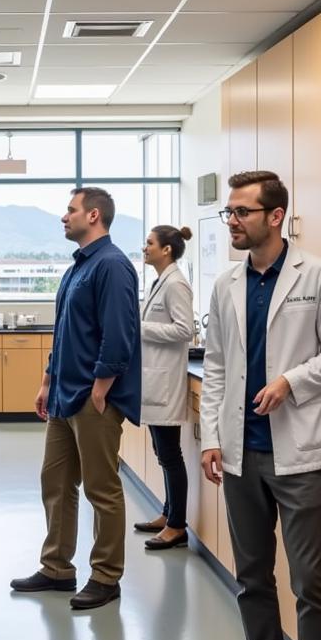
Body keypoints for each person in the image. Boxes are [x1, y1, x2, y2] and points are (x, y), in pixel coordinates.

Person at [199, 170, 321, 640]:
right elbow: (216, 367)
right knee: (253, 575)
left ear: (275, 215)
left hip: (300, 453)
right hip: (241, 454)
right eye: (229, 213)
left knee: (311, 583)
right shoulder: (226, 282)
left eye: (241, 211)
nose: (232, 220)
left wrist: (292, 381)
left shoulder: (317, 275)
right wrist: (212, 437)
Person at [11, 187, 142, 610]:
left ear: (94, 215)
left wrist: (101, 390)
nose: (63, 217)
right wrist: (48, 380)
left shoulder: (113, 266)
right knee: (56, 481)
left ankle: (106, 577)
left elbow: (118, 336)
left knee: (102, 490)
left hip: (92, 398)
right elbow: (67, 330)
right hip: (64, 395)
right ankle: (57, 568)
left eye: (70, 210)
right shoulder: (78, 268)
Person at [133, 225, 194, 550]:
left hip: (165, 382)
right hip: (154, 380)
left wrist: (139, 327)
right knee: (162, 451)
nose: (144, 248)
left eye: (149, 243)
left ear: (166, 249)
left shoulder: (177, 284)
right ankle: (168, 512)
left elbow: (186, 330)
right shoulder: (161, 281)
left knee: (170, 455)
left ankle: (176, 526)